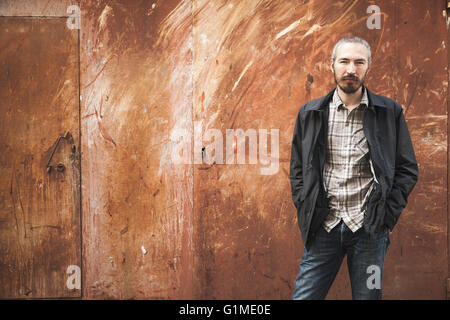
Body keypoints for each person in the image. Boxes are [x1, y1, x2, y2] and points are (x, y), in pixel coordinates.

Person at [289, 36, 418, 300]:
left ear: (368, 66)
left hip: (369, 230)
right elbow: (297, 169)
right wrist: (306, 204)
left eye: (359, 62)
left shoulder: (388, 112)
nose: (351, 69)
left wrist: (385, 216)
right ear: (332, 65)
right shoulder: (311, 113)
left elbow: (407, 169)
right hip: (323, 226)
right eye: (344, 61)